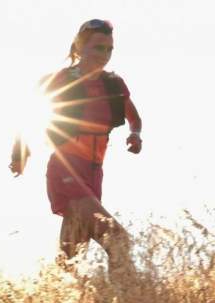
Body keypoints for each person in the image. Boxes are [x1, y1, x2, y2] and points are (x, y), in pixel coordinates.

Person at [11, 19, 143, 273]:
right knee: (118, 239)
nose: (104, 55)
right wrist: (19, 155)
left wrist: (135, 135)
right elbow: (28, 115)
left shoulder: (114, 84)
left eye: (109, 49)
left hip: (94, 174)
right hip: (67, 170)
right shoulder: (62, 79)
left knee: (70, 259)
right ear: (80, 48)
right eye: (98, 48)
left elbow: (135, 118)